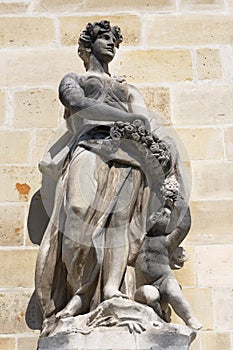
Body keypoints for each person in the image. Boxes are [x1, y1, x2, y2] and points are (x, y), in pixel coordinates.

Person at [34, 20, 189, 336]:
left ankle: (111, 291)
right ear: (88, 46)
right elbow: (76, 104)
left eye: (114, 41)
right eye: (104, 39)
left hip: (128, 155)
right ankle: (79, 293)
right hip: (89, 147)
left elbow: (144, 122)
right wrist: (125, 117)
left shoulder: (127, 88)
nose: (111, 45)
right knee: (77, 211)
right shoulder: (75, 79)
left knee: (119, 224)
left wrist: (164, 150)